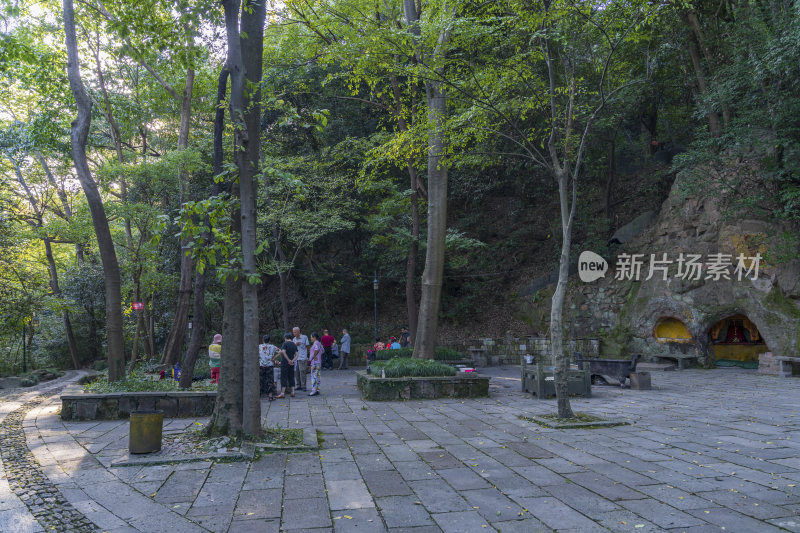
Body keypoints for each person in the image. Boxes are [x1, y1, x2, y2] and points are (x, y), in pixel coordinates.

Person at [276, 333, 297, 399]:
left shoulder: (285, 344)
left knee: (284, 377)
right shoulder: (294, 344)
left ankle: (282, 393)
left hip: (284, 363)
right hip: (291, 363)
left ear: (285, 338)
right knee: (291, 377)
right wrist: (292, 361)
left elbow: (283, 352)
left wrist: (288, 360)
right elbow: (297, 355)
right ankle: (293, 392)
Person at [259, 335, 278, 400]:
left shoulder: (259, 346)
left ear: (263, 340)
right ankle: (270, 396)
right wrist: (274, 358)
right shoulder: (272, 347)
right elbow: (281, 351)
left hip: (261, 365)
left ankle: (259, 394)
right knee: (270, 380)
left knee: (261, 380)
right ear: (269, 340)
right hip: (269, 365)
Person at [308, 332, 323, 396]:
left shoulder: (316, 343)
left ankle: (313, 391)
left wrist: (314, 356)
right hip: (318, 362)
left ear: (314, 337)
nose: (310, 338)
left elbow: (317, 349)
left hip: (314, 362)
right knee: (317, 376)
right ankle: (317, 390)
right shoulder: (319, 343)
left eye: (311, 337)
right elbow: (322, 350)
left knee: (313, 376)